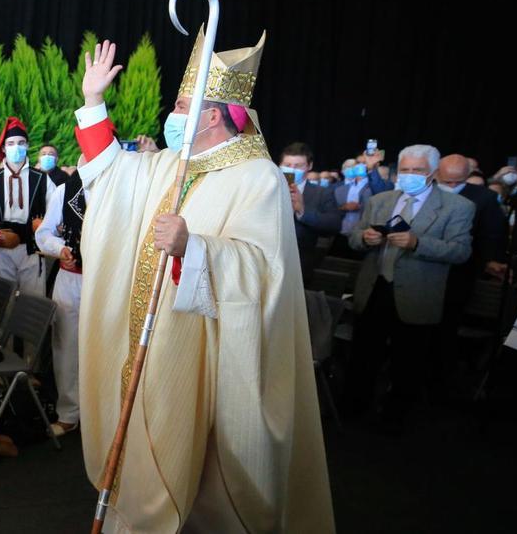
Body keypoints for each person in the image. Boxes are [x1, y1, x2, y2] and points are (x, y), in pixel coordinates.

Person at [72, 36, 333, 531]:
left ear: (212, 116)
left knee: (203, 459)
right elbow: (111, 173)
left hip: (204, 345)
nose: (172, 115)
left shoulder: (258, 177)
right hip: (150, 336)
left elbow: (265, 271)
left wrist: (195, 248)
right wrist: (93, 101)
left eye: (181, 106)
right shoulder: (172, 164)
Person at [347, 145, 474, 429]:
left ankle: (394, 418)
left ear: (433, 172)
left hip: (417, 294)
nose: (410, 175)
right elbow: (354, 237)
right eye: (405, 169)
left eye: (417, 170)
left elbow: (460, 251)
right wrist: (365, 238)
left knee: (407, 362)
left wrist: (418, 243)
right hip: (376, 288)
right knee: (363, 356)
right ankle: (354, 410)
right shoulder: (380, 200)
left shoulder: (458, 207)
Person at [435, 153, 507, 387]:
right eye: (447, 181)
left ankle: (439, 380)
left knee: (446, 329)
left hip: (460, 273)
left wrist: (490, 260)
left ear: (468, 176)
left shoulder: (484, 198)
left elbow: (492, 235)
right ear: (437, 174)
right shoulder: (429, 192)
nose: (451, 186)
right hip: (425, 272)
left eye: (457, 181)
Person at [34, 163, 88, 437]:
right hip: (70, 278)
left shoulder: (121, 189)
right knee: (66, 346)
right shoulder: (65, 191)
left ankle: (103, 414)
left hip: (107, 280)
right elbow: (43, 233)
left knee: (105, 345)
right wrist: (60, 248)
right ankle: (69, 413)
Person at [0, 117, 49, 296]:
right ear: (4, 148)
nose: (16, 147)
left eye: (21, 143)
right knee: (0, 298)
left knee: (33, 298)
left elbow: (53, 211)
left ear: (27, 145)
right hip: (1, 247)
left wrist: (45, 228)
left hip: (31, 247)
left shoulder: (42, 178)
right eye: (11, 143)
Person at [280, 142, 342, 279]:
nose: (292, 170)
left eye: (298, 166)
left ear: (309, 166)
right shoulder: (268, 188)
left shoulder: (322, 193)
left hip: (300, 265)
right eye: (287, 165)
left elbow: (334, 224)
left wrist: (302, 211)